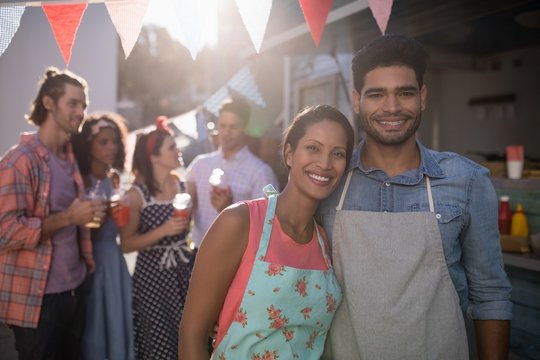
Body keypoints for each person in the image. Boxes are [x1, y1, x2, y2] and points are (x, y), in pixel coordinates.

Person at [318, 34, 513, 359]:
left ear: (422, 97)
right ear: (356, 100)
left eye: (404, 93)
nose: (391, 107)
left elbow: (490, 293)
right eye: (376, 94)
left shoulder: (467, 181)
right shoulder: (329, 181)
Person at [179, 104, 355, 360]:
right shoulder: (240, 222)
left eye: (337, 153)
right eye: (313, 148)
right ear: (289, 154)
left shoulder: (325, 240)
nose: (325, 163)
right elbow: (191, 336)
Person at [0, 67, 104, 359]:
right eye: (73, 103)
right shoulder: (19, 161)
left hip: (74, 290)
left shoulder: (68, 157)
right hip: (37, 301)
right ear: (48, 103)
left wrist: (90, 214)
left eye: (83, 105)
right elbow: (4, 231)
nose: (81, 111)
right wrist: (69, 218)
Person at [119, 116, 195, 359]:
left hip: (185, 270)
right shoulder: (136, 195)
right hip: (152, 278)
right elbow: (127, 244)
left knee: (190, 336)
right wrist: (163, 230)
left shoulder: (185, 187)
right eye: (171, 147)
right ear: (154, 156)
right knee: (160, 341)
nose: (178, 150)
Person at [71, 112, 134, 360]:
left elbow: (122, 229)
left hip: (113, 257)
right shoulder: (80, 179)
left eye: (114, 141)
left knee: (116, 316)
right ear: (88, 144)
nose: (111, 147)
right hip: (90, 257)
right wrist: (101, 215)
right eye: (103, 142)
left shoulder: (114, 178)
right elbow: (81, 228)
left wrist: (122, 215)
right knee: (95, 319)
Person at [185, 97, 279, 250]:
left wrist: (230, 209)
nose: (226, 133)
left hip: (234, 256)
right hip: (197, 251)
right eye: (222, 126)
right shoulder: (200, 164)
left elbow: (268, 224)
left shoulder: (260, 172)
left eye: (233, 127)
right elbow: (187, 204)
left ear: (245, 128)